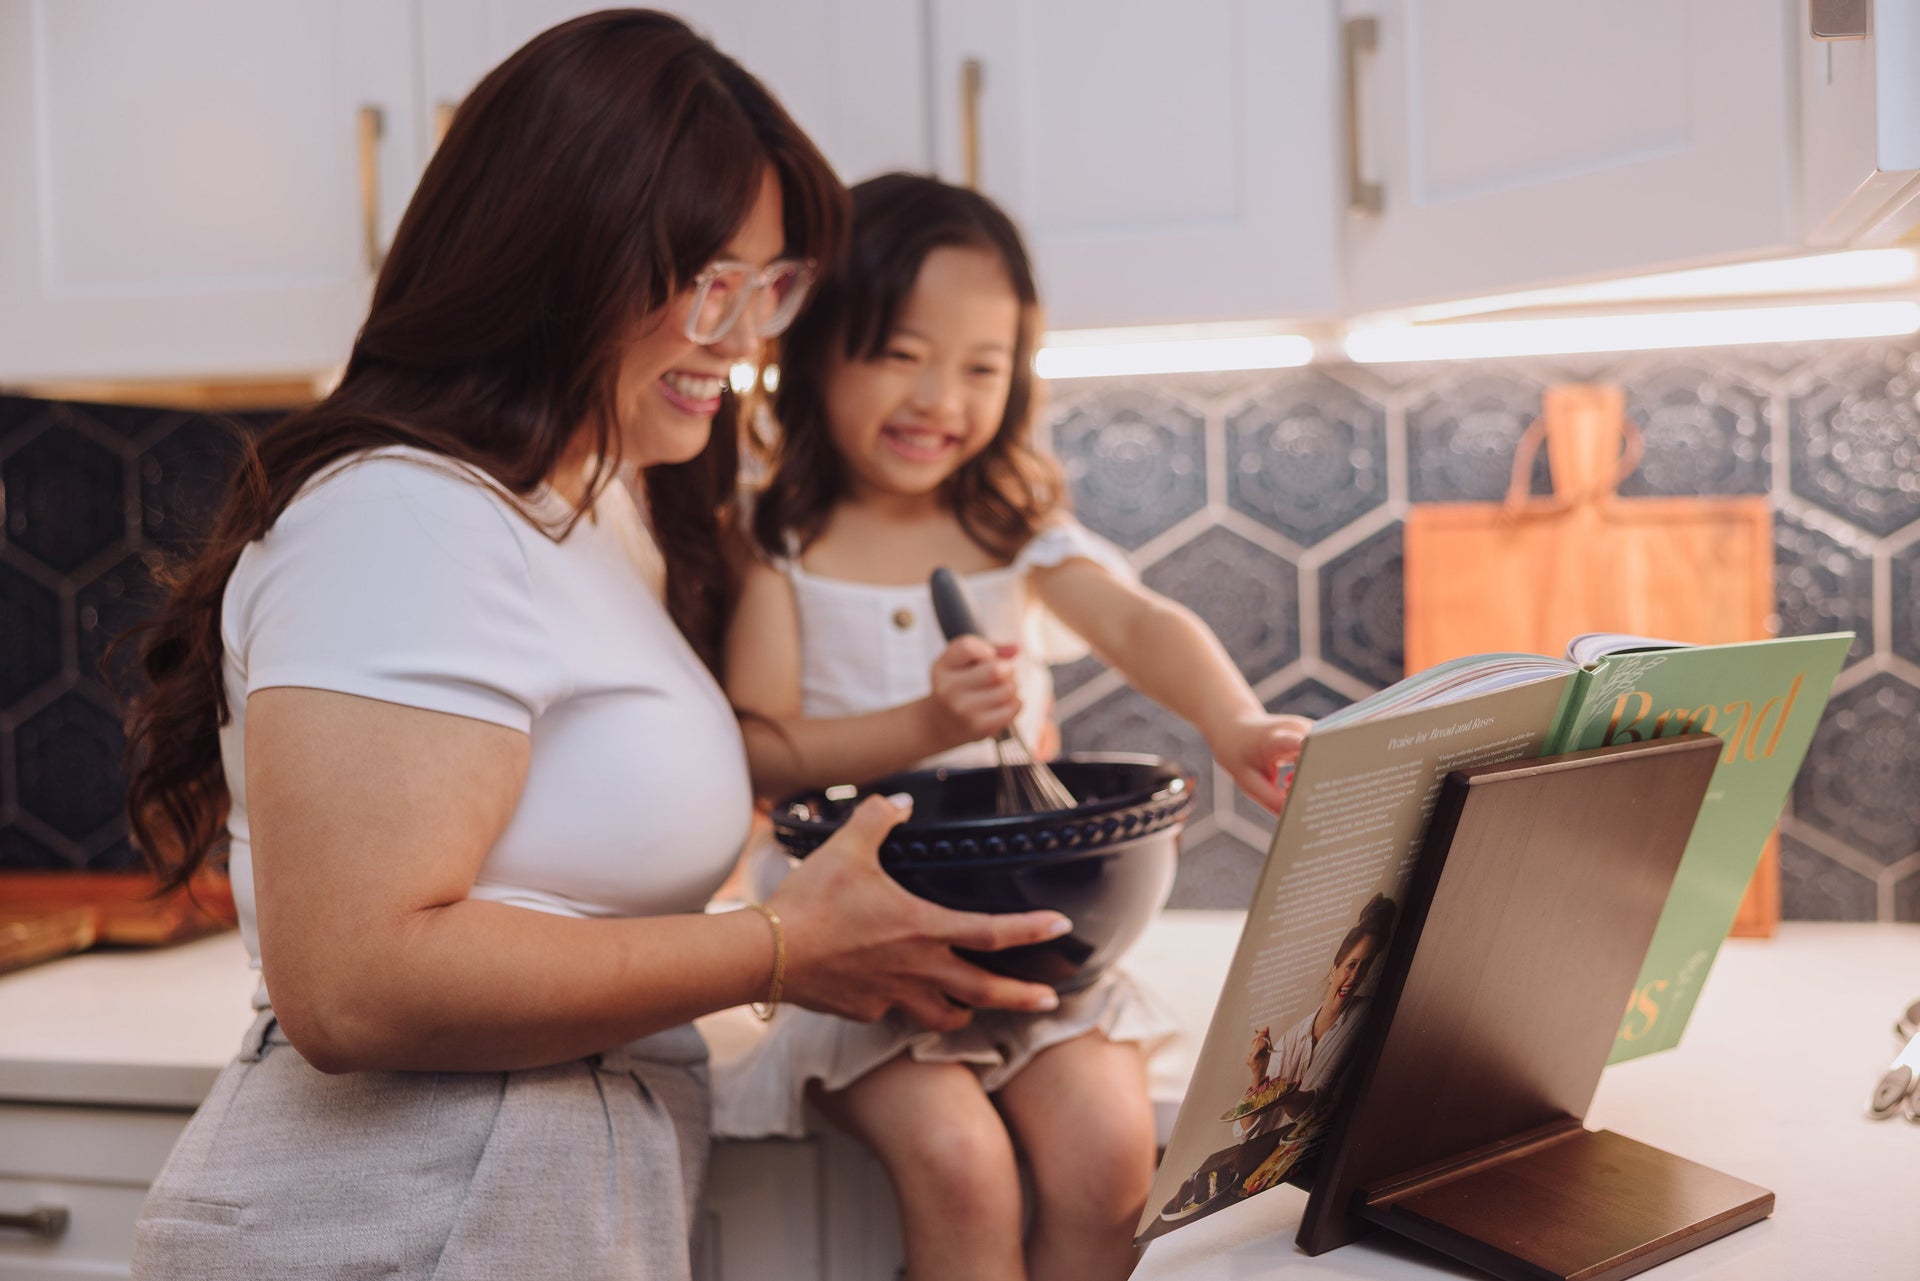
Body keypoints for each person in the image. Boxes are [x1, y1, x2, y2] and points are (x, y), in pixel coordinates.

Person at [117, 15, 1073, 1279]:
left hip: (521, 1186)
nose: (743, 339)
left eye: (769, 283)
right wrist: (784, 949)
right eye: (706, 280)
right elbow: (351, 983)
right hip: (397, 1210)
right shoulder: (402, 516)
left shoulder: (601, 511)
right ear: (554, 256)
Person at [718, 172, 1314, 1281]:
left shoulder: (1012, 525)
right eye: (899, 351)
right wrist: (925, 718)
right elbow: (760, 747)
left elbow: (1134, 621)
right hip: (859, 949)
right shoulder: (779, 540)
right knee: (959, 1166)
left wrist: (1233, 721)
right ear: (815, 351)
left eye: (981, 367)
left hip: (1031, 935)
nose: (939, 395)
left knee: (1106, 1160)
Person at [1239, 892, 1397, 1143]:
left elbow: (1320, 1105)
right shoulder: (1290, 1039)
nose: (1355, 977)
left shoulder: (1364, 1015)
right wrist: (1258, 1075)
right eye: (1351, 965)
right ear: (1335, 967)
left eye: (1365, 966)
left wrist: (1285, 1095)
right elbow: (1249, 1131)